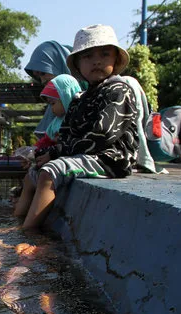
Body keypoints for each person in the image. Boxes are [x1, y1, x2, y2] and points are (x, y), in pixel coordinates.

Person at [14, 24, 139, 230]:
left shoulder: (118, 91)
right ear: (78, 65)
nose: (96, 61)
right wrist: (48, 152)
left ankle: (28, 233)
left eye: (104, 54)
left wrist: (57, 154)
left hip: (110, 159)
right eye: (88, 56)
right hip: (82, 154)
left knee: (49, 172)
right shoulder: (80, 97)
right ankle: (16, 221)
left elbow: (101, 136)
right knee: (32, 175)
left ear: (115, 60)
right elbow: (66, 134)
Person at [24, 41, 73, 137]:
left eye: (43, 73)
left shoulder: (88, 99)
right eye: (38, 76)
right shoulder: (55, 104)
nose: (42, 81)